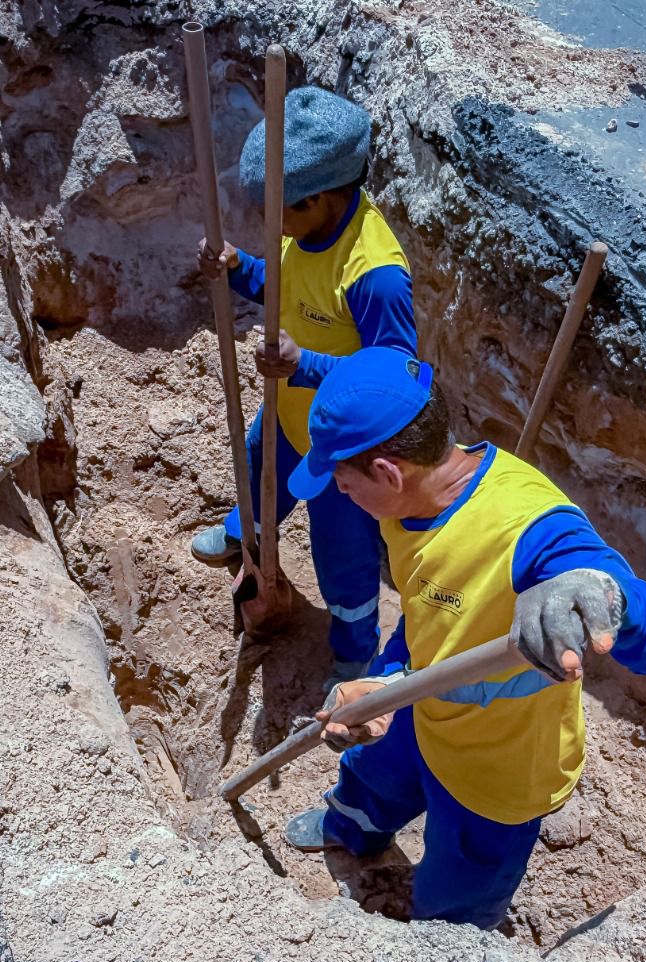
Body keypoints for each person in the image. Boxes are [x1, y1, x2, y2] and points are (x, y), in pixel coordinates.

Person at [279, 347, 646, 930]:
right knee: (371, 778)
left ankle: (440, 951)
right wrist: (386, 680)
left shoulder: (531, 533)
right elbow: (424, 611)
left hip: (498, 766)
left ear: (387, 472)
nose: (342, 495)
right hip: (421, 704)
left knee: (457, 891)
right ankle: (350, 831)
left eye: (344, 483)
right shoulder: (409, 502)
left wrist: (609, 596)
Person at [192, 86, 415, 687]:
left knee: (342, 554)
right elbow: (286, 285)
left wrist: (306, 364)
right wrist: (239, 268)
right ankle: (243, 538)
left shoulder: (375, 275)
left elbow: (396, 378)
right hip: (290, 415)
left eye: (279, 213)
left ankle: (355, 649)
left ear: (319, 198)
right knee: (257, 477)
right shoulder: (306, 231)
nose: (272, 226)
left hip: (343, 448)